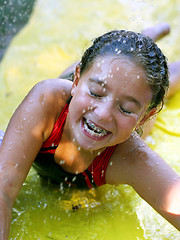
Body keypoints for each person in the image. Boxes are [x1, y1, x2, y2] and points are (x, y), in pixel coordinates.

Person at [0, 23, 180, 239]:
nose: (103, 114)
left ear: (143, 117)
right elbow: (3, 191)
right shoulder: (47, 103)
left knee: (157, 85)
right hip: (70, 97)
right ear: (77, 81)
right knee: (118, 62)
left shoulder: (131, 157)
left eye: (126, 108)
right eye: (95, 93)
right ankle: (144, 35)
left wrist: (110, 101)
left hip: (122, 106)